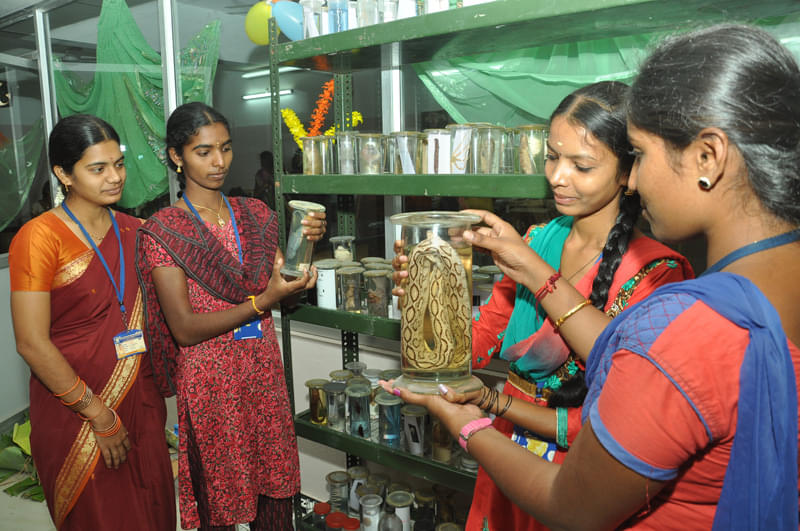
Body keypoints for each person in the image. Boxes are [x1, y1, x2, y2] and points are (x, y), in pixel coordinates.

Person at [389, 24, 800, 529]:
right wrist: (435, 308)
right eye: (552, 158)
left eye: (640, 155)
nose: (637, 176)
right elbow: (619, 350)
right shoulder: (750, 295)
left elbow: (573, 504)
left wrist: (467, 419)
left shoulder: (680, 311)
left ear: (706, 157)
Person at [393, 82, 692, 530]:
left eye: (581, 165)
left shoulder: (656, 273)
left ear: (629, 171)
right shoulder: (537, 240)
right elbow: (477, 343)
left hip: (581, 467)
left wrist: (493, 401)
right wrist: (434, 306)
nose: (557, 176)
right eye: (552, 157)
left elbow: (619, 409)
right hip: (506, 448)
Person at [135, 102, 326, 531]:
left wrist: (305, 247)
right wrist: (263, 302)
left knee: (271, 487)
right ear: (176, 157)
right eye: (203, 152)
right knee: (220, 499)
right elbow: (183, 329)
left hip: (261, 370)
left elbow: (287, 286)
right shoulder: (166, 230)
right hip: (209, 383)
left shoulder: (253, 215)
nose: (218, 162)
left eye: (225, 148)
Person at [9, 114, 175, 530]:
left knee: (152, 513)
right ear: (63, 174)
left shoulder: (137, 231)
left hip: (140, 400)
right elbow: (31, 343)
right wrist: (98, 416)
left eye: (118, 164)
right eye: (97, 169)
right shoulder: (39, 237)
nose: (114, 177)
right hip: (76, 411)